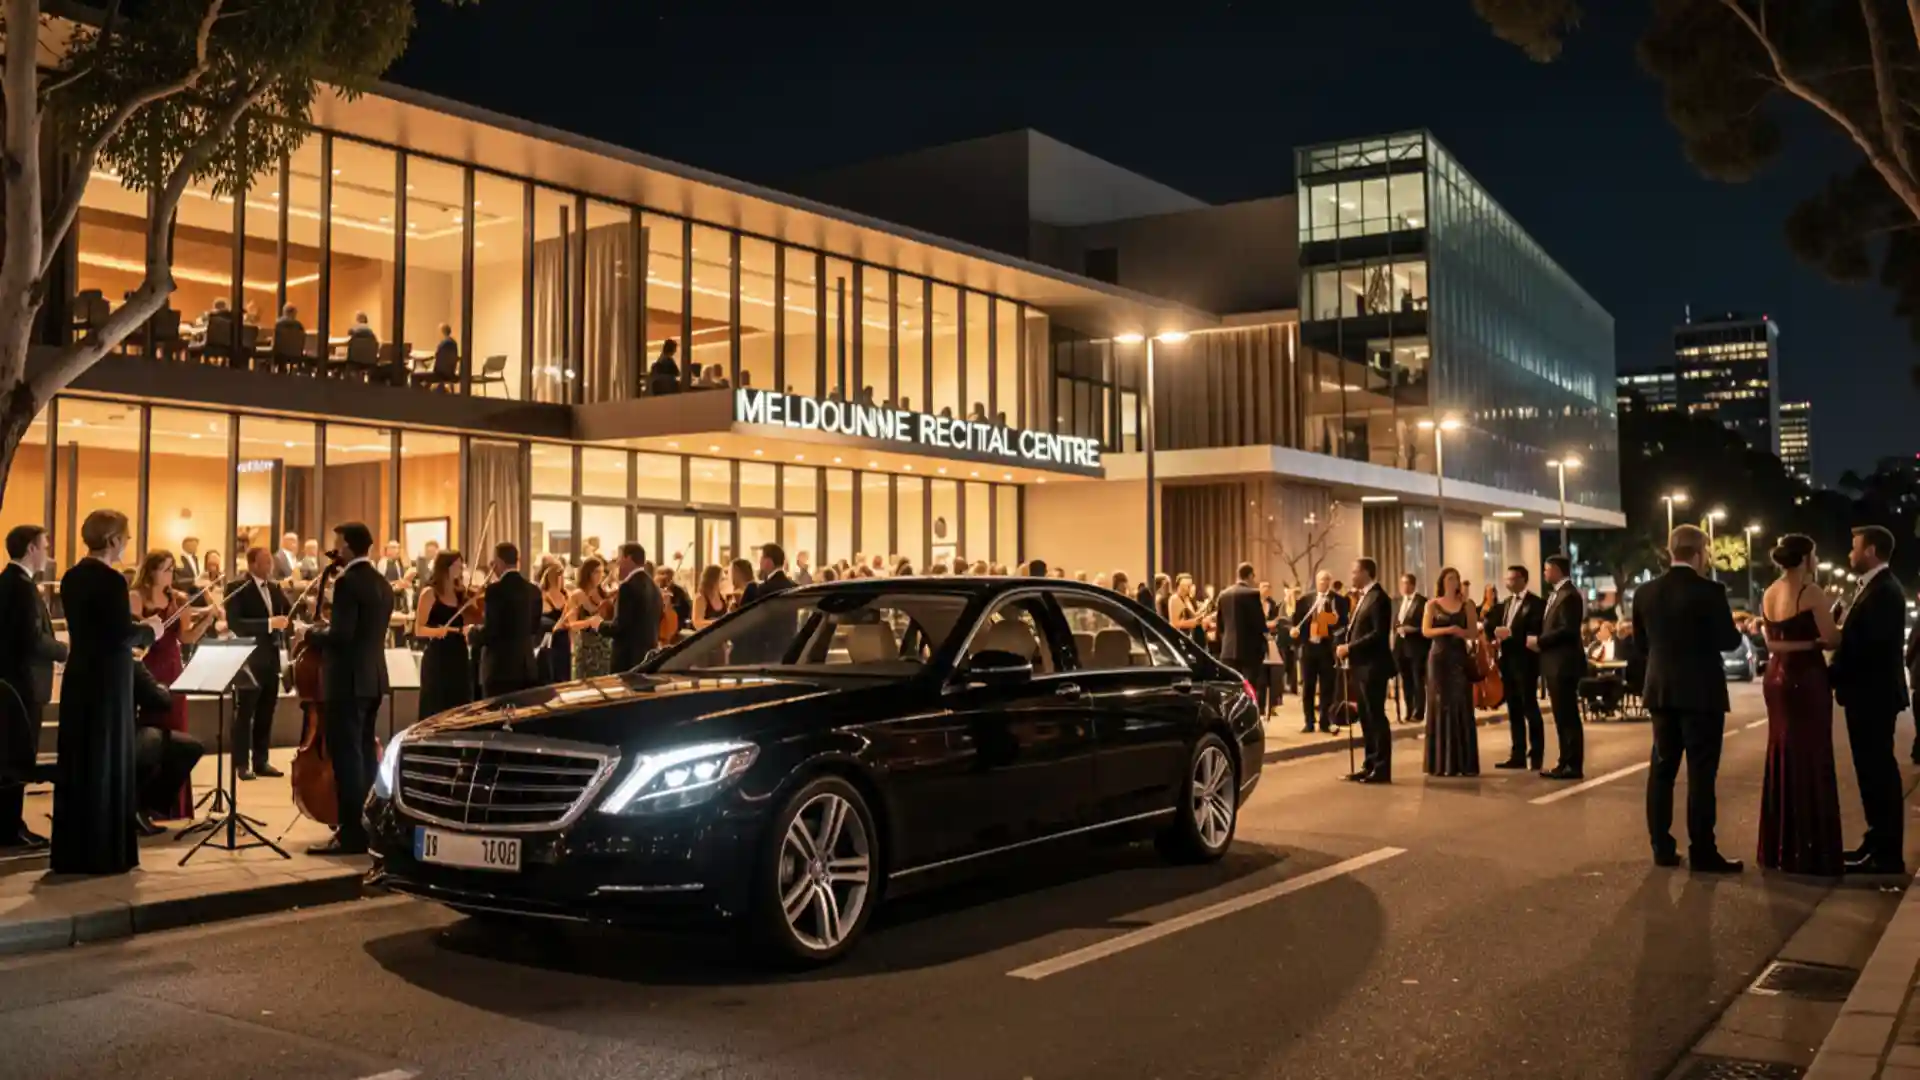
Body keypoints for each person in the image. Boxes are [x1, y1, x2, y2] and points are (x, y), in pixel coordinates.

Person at [53, 510, 161, 875]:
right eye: (126, 538)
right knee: (107, 760)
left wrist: (135, 626)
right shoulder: (112, 581)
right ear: (113, 539)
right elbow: (118, 635)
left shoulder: (71, 577)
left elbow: (97, 626)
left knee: (81, 758)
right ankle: (104, 853)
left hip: (80, 675)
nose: (127, 544)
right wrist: (150, 631)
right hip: (109, 681)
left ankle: (74, 851)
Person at [1635, 524, 1745, 873]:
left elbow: (1641, 644)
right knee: (1701, 774)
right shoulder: (1710, 591)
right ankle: (1702, 850)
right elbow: (1728, 640)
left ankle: (1661, 847)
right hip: (1702, 692)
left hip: (1661, 689)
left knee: (1663, 769)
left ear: (1671, 552)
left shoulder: (1645, 592)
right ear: (1699, 553)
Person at [301, 522, 394, 856]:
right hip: (374, 678)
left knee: (347, 756)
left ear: (350, 547)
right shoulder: (383, 584)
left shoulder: (347, 583)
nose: (335, 550)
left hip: (348, 681)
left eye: (338, 544)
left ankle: (350, 833)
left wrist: (309, 633)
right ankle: (371, 826)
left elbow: (341, 635)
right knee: (368, 754)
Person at [1756, 534, 1844, 877]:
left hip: (1775, 679)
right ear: (1807, 558)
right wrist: (1830, 630)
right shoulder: (1811, 592)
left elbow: (1770, 642)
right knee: (1810, 754)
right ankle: (1808, 847)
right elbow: (1832, 638)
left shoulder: (1769, 592)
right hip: (1806, 678)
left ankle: (1779, 845)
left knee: (1780, 751)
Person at [1830, 524, 1909, 875]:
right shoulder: (1874, 588)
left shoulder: (1884, 591)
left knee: (1878, 773)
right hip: (1867, 694)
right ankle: (1876, 842)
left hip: (1873, 695)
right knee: (1871, 773)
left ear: (1872, 552)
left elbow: (1867, 647)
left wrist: (1832, 673)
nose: (1850, 553)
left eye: (1854, 546)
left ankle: (1887, 853)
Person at [130, 550, 216, 819]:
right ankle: (142, 803)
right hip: (144, 667)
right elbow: (134, 636)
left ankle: (172, 806)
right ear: (151, 570)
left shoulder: (178, 599)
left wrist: (208, 619)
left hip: (172, 668)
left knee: (175, 733)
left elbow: (187, 638)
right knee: (148, 735)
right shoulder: (135, 597)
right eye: (165, 569)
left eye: (172, 570)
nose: (170, 575)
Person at [0, 526, 66, 848]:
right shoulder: (22, 587)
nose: (49, 554)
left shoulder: (9, 582)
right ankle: (10, 828)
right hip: (25, 684)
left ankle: (10, 824)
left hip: (15, 682)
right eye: (45, 545)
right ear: (30, 548)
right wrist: (66, 650)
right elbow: (31, 638)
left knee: (11, 757)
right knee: (18, 757)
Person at [224, 547, 292, 781]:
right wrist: (268, 623)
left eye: (270, 562)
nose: (270, 567)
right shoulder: (237, 587)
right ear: (251, 564)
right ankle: (241, 763)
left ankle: (261, 761)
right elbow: (236, 623)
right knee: (245, 712)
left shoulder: (274, 587)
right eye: (264, 563)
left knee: (266, 711)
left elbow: (288, 613)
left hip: (271, 657)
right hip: (250, 658)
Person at [1337, 557, 1394, 783]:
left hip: (1374, 667)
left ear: (1366, 572)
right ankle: (1369, 763)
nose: (1351, 576)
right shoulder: (1362, 598)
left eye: (1354, 571)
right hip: (1360, 667)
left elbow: (1378, 634)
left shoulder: (1380, 598)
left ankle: (1381, 767)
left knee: (1376, 716)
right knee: (1366, 719)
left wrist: (1349, 647)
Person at [1422, 566, 1481, 777]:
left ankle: (1463, 762)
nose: (1452, 582)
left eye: (1455, 578)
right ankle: (1440, 763)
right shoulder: (1432, 605)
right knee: (1439, 705)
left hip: (1458, 658)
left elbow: (1473, 631)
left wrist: (1461, 632)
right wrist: (1448, 630)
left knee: (1460, 704)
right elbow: (1426, 631)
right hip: (1438, 658)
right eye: (1448, 578)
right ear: (1442, 581)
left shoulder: (1467, 605)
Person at [1533, 555, 1587, 780]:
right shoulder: (1558, 594)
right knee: (1560, 715)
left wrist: (1540, 641)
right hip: (1554, 663)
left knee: (1567, 715)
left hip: (1564, 664)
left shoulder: (1569, 595)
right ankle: (1564, 760)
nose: (1544, 573)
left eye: (1546, 569)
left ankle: (1572, 764)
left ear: (1556, 569)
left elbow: (1567, 629)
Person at [1486, 565, 1546, 771]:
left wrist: (1512, 635)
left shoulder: (1536, 604)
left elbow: (1536, 631)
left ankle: (1536, 753)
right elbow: (1492, 624)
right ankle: (1517, 753)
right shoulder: (1506, 604)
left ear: (1523, 580)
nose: (1508, 582)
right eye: (1507, 579)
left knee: (1530, 707)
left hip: (1526, 662)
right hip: (1507, 662)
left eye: (1512, 579)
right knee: (1514, 710)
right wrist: (1495, 634)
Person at [466, 542, 541, 699]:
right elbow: (534, 628)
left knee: (499, 717)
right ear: (517, 561)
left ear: (499, 562)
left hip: (500, 669)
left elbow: (491, 631)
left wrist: (472, 633)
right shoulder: (534, 590)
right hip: (526, 666)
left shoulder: (495, 590)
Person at [412, 550, 473, 720]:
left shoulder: (461, 594)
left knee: (458, 706)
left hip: (459, 655)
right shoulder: (429, 593)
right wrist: (438, 631)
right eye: (457, 565)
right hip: (438, 656)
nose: (461, 569)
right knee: (436, 705)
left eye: (462, 566)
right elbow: (419, 629)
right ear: (445, 567)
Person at [1290, 570, 1349, 733]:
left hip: (1326, 649)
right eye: (1321, 580)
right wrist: (1294, 633)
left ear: (1330, 582)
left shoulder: (1338, 601)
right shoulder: (1305, 600)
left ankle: (1324, 721)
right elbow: (1296, 622)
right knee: (1308, 687)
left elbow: (1344, 624)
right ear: (1316, 581)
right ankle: (1309, 721)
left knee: (1327, 687)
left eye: (1326, 580)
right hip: (1309, 648)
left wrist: (1335, 627)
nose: (1323, 583)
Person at [598, 543, 663, 672]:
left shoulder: (627, 587)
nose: (617, 564)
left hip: (627, 660)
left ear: (627, 559)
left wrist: (599, 625)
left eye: (619, 559)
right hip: (647, 657)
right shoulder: (654, 586)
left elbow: (620, 627)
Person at [1217, 563, 1268, 706]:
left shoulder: (1223, 594)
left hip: (1227, 649)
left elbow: (1220, 624)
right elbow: (1259, 623)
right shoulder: (1252, 594)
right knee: (1249, 687)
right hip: (1249, 649)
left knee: (1230, 688)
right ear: (1250, 575)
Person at [564, 557, 612, 679]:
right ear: (588, 573)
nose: (600, 575)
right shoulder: (577, 595)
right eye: (596, 572)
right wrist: (589, 622)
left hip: (605, 646)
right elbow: (571, 624)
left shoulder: (604, 592)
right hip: (586, 647)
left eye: (602, 572)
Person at [1392, 573, 1429, 726]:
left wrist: (1413, 629)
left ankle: (1419, 712)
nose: (1403, 587)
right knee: (1406, 681)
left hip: (1417, 647)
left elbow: (1427, 626)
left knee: (1417, 680)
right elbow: (1394, 622)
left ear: (1413, 585)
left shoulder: (1422, 602)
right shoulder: (1397, 601)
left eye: (1406, 583)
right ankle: (1409, 710)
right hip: (1400, 646)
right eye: (1401, 584)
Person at [536, 560, 571, 685]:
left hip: (565, 638)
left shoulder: (566, 595)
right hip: (551, 640)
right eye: (559, 577)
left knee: (565, 674)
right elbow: (542, 621)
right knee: (553, 673)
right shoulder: (544, 596)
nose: (562, 580)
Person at [694, 563, 729, 630]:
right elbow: (697, 623)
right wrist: (717, 623)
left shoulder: (722, 596)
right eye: (721, 578)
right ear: (713, 579)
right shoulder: (700, 598)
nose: (724, 581)